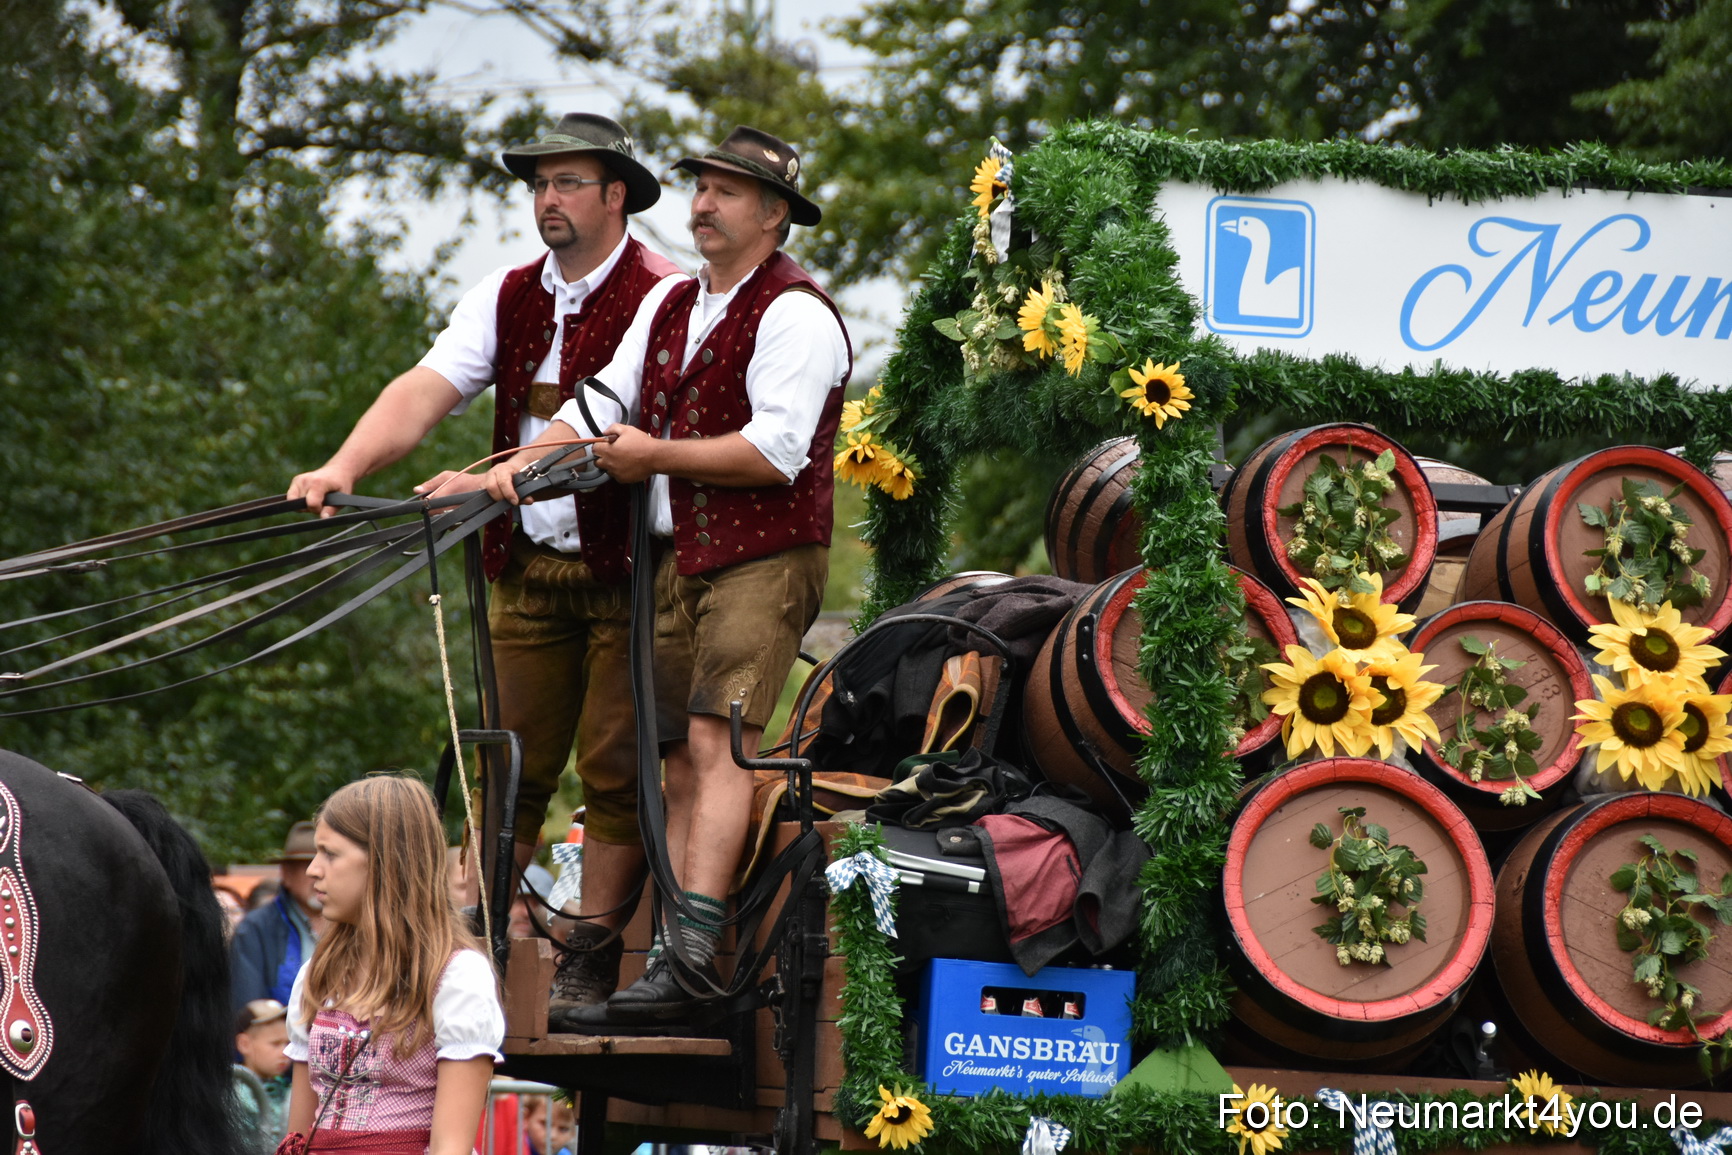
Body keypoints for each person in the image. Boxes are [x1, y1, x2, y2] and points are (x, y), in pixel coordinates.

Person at [287, 112, 686, 1019]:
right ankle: (475, 945)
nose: (547, 198)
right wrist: (346, 465)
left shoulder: (665, 293)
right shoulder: (505, 293)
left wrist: (488, 477)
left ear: (616, 196)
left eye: (567, 182)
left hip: (632, 571)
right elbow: (425, 387)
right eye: (539, 184)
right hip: (530, 566)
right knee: (505, 765)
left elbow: (597, 420)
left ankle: (592, 957)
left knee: (617, 770)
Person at [483, 126, 850, 1025]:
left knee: (719, 743)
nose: (703, 205)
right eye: (700, 187)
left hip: (763, 556)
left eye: (727, 192)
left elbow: (774, 451)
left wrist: (651, 456)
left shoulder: (798, 312)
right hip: (680, 556)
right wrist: (502, 472)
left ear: (775, 214)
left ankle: (688, 960)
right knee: (674, 756)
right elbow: (597, 403)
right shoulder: (675, 301)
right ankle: (673, 961)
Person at [281, 775, 505, 1154]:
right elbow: (297, 1138)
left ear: (386, 863)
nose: (313, 870)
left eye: (330, 854)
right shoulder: (318, 974)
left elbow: (450, 1147)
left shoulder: (456, 977)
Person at [232, 820, 326, 1009]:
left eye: (326, 863)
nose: (317, 873)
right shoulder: (256, 928)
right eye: (307, 865)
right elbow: (248, 1008)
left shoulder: (356, 923)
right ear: (286, 874)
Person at [233, 998, 293, 1152]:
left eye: (288, 1043)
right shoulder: (236, 1096)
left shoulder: (288, 1089)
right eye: (275, 1043)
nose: (285, 1052)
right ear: (244, 1044)